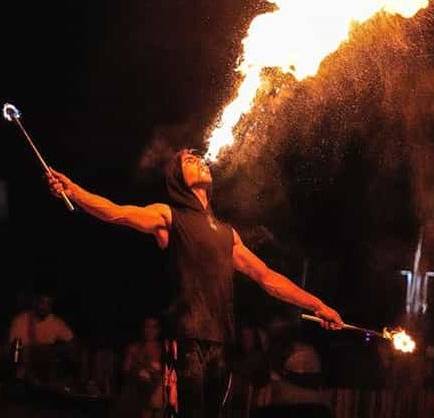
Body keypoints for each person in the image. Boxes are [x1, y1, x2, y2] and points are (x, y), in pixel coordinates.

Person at [47, 148, 343, 417]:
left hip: (222, 342)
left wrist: (318, 305)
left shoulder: (228, 234)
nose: (200, 161)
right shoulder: (169, 216)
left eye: (199, 157)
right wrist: (74, 191)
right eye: (189, 160)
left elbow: (266, 277)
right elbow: (116, 213)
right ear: (178, 179)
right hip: (184, 339)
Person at [7, 291, 75, 384]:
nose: (44, 307)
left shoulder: (56, 322)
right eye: (42, 302)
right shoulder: (21, 320)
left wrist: (57, 350)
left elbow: (72, 342)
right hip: (24, 366)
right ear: (35, 303)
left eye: (48, 304)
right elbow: (14, 349)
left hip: (46, 368)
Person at [121, 317, 165, 418]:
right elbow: (126, 371)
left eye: (153, 327)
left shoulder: (164, 349)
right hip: (139, 391)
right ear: (143, 329)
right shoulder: (134, 349)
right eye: (147, 327)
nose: (150, 330)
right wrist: (140, 372)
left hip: (159, 392)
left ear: (158, 330)